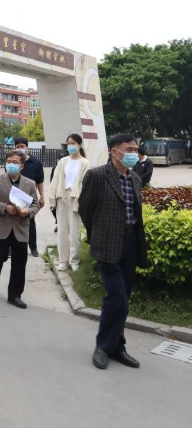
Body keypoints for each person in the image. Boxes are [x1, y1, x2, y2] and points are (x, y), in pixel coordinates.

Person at [79, 134, 146, 370]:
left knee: (123, 297)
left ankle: (118, 347)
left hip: (130, 243)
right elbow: (85, 210)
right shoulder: (97, 176)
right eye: (129, 149)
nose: (133, 153)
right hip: (107, 244)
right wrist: (97, 235)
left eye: (136, 149)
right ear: (114, 151)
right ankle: (103, 347)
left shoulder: (135, 178)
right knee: (117, 297)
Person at [0, 151, 41, 309]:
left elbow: (35, 204)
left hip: (21, 228)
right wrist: (5, 207)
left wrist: (28, 212)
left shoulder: (30, 184)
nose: (11, 165)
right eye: (9, 161)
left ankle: (14, 295)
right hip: (2, 227)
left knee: (19, 263)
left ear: (21, 166)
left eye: (15, 162)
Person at [49, 134, 90, 272]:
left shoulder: (85, 163)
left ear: (79, 144)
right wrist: (52, 199)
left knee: (74, 232)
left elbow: (84, 183)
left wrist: (81, 200)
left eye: (73, 143)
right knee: (62, 231)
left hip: (75, 197)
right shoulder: (63, 161)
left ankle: (74, 260)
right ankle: (63, 260)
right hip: (62, 197)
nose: (70, 146)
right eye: (68, 143)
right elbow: (55, 180)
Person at [13, 137, 45, 257]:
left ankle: (33, 247)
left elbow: (40, 181)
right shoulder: (13, 162)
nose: (20, 149)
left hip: (30, 197)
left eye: (22, 146)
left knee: (30, 223)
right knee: (13, 222)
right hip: (15, 196)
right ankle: (12, 247)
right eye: (17, 147)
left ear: (27, 147)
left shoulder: (36, 163)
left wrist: (42, 196)